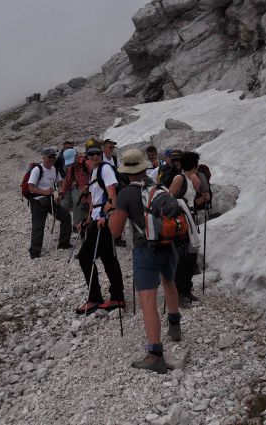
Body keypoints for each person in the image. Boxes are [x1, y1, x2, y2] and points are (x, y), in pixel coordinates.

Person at [109, 148, 182, 374]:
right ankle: (174, 326)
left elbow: (115, 230)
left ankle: (155, 354)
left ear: (125, 171)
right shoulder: (156, 185)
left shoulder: (126, 194)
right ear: (142, 166)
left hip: (145, 249)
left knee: (148, 299)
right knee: (169, 282)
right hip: (168, 244)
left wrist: (112, 211)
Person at [75, 140, 125, 314]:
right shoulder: (94, 172)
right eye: (91, 154)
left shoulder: (105, 169)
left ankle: (104, 298)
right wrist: (87, 219)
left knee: (87, 257)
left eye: (97, 153)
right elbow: (95, 199)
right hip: (96, 219)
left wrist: (105, 215)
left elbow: (112, 193)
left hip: (104, 220)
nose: (95, 156)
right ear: (86, 156)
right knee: (106, 258)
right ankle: (114, 297)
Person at [168, 152, 210, 308]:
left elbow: (191, 202)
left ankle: (186, 290)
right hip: (181, 221)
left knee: (191, 256)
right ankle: (179, 294)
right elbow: (168, 198)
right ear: (194, 165)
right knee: (183, 257)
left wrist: (202, 200)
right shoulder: (179, 179)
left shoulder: (189, 180)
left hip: (189, 219)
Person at [27, 148, 72, 259]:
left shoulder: (54, 169)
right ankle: (35, 252)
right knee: (38, 225)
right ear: (44, 157)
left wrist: (61, 194)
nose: (52, 159)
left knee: (66, 217)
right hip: (37, 201)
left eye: (53, 157)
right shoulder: (37, 170)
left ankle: (64, 243)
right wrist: (45, 192)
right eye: (49, 157)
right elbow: (31, 187)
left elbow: (61, 183)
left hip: (50, 200)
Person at [58, 148, 90, 236]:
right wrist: (61, 194)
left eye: (72, 161)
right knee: (84, 218)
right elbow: (67, 182)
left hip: (93, 197)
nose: (72, 163)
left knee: (91, 217)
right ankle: (84, 236)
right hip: (84, 197)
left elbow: (97, 177)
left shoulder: (87, 163)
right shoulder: (72, 168)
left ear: (77, 156)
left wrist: (88, 185)